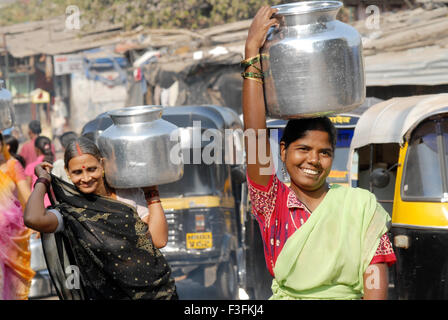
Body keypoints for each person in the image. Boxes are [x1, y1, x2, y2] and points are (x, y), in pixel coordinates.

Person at [242, 6, 396, 300]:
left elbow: (375, 278)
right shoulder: (272, 204)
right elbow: (254, 138)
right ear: (283, 151)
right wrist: (251, 51)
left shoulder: (361, 207)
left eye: (324, 152)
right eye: (304, 149)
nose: (314, 160)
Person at [24, 137, 177, 300]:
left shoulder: (128, 195)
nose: (86, 178)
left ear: (102, 165)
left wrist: (152, 192)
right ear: (68, 173)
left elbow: (159, 240)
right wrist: (43, 180)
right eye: (77, 172)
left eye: (91, 169)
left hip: (157, 293)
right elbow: (33, 218)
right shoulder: (70, 213)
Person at [0, 132, 35, 300]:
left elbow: (27, 197)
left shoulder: (12, 165)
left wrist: (38, 220)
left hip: (13, 237)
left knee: (14, 286)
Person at [25, 136, 54, 208]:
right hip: (53, 203)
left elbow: (27, 189)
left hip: (37, 205)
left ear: (36, 149)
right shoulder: (53, 164)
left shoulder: (31, 167)